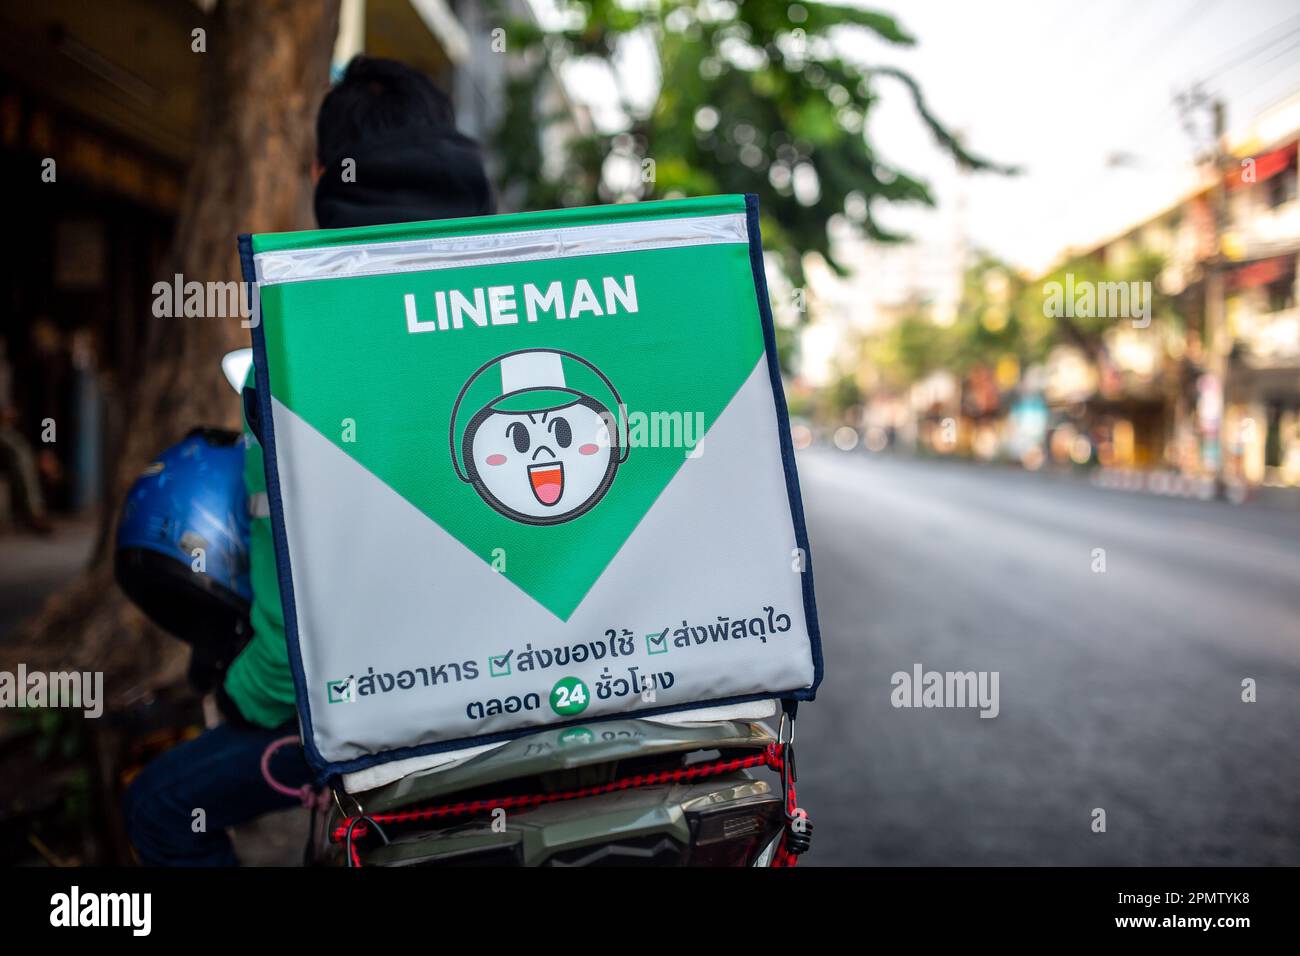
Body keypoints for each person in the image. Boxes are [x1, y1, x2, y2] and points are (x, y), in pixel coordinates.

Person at [124, 55, 495, 866]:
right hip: (543, 703)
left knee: (158, 805)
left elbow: (297, 632)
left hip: (393, 723)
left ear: (331, 175)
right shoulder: (528, 317)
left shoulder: (299, 356)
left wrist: (236, 690)